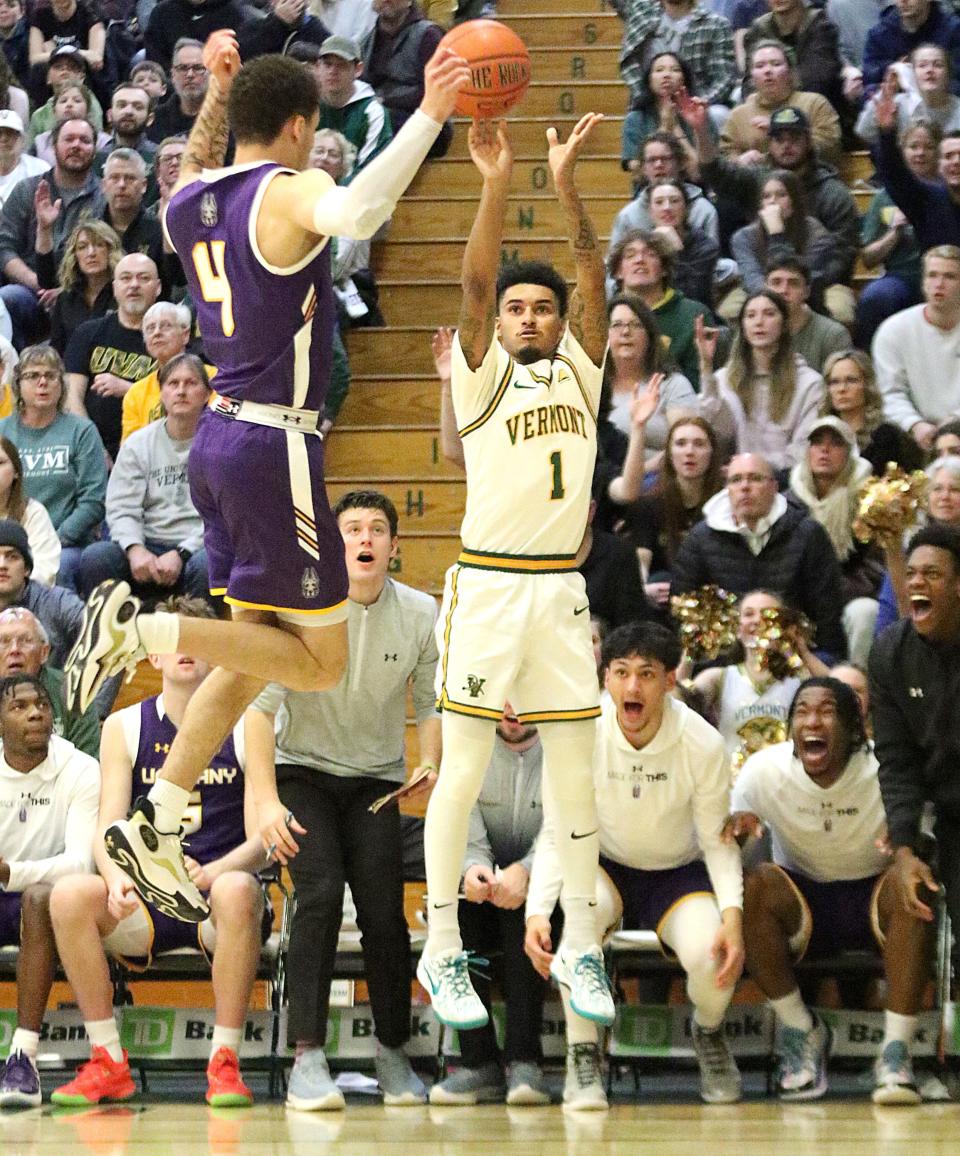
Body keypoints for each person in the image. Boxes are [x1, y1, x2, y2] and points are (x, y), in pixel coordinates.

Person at [64, 32, 470, 925]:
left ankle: (158, 819)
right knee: (320, 665)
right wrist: (431, 113)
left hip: (215, 440)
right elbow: (360, 214)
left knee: (251, 659)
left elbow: (199, 157)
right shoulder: (292, 190)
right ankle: (144, 625)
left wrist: (213, 89)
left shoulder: (185, 204)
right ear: (297, 125)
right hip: (272, 448)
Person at [413, 109, 615, 1033]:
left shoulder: (581, 370)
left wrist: (568, 187)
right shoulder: (481, 375)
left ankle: (578, 946)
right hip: (490, 585)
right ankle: (443, 943)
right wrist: (496, 181)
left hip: (560, 595)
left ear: (563, 327)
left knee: (578, 779)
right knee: (460, 771)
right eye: (516, 311)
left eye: (543, 310)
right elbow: (474, 278)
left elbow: (594, 272)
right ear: (495, 329)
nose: (529, 318)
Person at [245, 489, 439, 1110]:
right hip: (302, 770)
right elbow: (256, 713)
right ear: (333, 543)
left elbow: (432, 701)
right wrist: (266, 801)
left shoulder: (420, 613)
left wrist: (431, 761)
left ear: (393, 547)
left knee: (385, 909)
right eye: (351, 527)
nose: (364, 538)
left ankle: (392, 1052)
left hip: (377, 781)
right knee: (321, 892)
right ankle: (307, 1055)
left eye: (377, 529)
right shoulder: (303, 609)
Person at [49, 596, 266, 1109]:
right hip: (145, 901)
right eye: (176, 638)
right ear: (154, 657)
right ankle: (108, 1059)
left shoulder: (247, 722)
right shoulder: (123, 726)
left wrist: (212, 871)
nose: (187, 648)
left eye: (199, 637)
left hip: (215, 896)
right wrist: (118, 876)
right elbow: (109, 826)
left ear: (219, 652)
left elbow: (260, 841)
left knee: (240, 888)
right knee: (67, 895)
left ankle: (225, 1060)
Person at [524, 622, 744, 1110]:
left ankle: (707, 1033)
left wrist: (732, 915)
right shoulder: (578, 735)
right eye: (621, 673)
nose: (632, 686)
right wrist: (536, 910)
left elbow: (718, 840)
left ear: (669, 681)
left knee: (713, 958)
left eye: (646, 674)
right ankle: (583, 1057)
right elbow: (558, 832)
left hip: (677, 873)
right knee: (578, 928)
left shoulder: (703, 744)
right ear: (605, 679)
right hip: (604, 864)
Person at [731, 677, 929, 1103]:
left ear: (855, 730)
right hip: (803, 900)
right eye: (801, 711)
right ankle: (802, 1030)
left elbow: (925, 840)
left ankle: (895, 1054)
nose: (812, 721)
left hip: (875, 896)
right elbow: (728, 840)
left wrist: (906, 844)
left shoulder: (884, 769)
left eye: (825, 712)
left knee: (913, 885)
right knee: (752, 886)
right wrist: (741, 837)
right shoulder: (765, 770)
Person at [429, 703, 551, 1107]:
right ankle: (478, 1063)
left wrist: (529, 871)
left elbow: (566, 826)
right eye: (505, 698)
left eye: (523, 696)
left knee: (531, 914)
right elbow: (461, 816)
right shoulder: (467, 742)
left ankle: (524, 1060)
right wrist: (474, 868)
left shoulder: (563, 746)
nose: (515, 710)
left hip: (548, 878)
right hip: (486, 882)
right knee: (461, 911)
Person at [0, 673, 99, 1108]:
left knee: (39, 898)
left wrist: (10, 873)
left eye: (41, 704)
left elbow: (81, 863)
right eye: (18, 707)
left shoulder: (81, 769)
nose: (35, 712)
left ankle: (24, 1058)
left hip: (50, 907)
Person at [672, 452, 848, 657]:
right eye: (736, 480)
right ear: (727, 489)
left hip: (793, 656)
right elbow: (683, 612)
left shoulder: (808, 534)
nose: (745, 487)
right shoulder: (700, 538)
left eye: (755, 478)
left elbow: (827, 611)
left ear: (774, 487)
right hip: (721, 658)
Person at [681, 89, 858, 286]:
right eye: (779, 139)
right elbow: (714, 171)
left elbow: (843, 257)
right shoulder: (757, 179)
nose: (786, 145)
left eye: (794, 138)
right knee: (730, 311)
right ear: (769, 143)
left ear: (808, 142)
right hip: (762, 282)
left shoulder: (833, 193)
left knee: (840, 308)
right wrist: (700, 130)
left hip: (822, 285)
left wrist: (799, 288)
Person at [77, 353, 212, 604]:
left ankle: (203, 639)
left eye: (191, 383)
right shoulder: (138, 444)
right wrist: (134, 549)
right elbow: (121, 507)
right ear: (161, 393)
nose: (181, 391)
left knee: (210, 563)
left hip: (197, 547)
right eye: (173, 384)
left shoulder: (221, 445)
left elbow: (223, 518)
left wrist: (182, 552)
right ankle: (109, 640)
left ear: (206, 394)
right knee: (97, 557)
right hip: (146, 543)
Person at [0, 346, 107, 590]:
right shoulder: (2, 431)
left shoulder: (81, 431)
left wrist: (52, 540)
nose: (43, 383)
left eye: (51, 376)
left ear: (61, 384)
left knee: (63, 565)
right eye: (33, 376)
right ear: (17, 384)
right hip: (6, 540)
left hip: (66, 542)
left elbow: (92, 501)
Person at [691, 589, 828, 769]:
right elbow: (675, 703)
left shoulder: (801, 678)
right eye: (749, 614)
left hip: (786, 785)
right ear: (737, 628)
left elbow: (845, 695)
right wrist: (689, 649)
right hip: (734, 788)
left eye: (768, 614)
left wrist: (802, 651)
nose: (757, 620)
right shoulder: (719, 677)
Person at [0, 116, 103, 349]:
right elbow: (4, 247)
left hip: (85, 295)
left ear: (95, 149)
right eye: (69, 139)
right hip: (29, 292)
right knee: (6, 300)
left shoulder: (104, 197)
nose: (76, 145)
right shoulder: (27, 190)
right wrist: (35, 282)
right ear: (54, 145)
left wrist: (67, 291)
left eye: (84, 140)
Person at [787, 416, 882, 664]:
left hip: (849, 596)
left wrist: (830, 592)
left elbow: (876, 566)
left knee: (865, 612)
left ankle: (857, 686)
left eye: (835, 444)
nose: (824, 450)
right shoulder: (787, 504)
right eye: (817, 443)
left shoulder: (870, 503)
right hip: (799, 597)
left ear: (850, 453)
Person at [698, 291, 826, 472]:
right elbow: (715, 433)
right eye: (751, 316)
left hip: (786, 477)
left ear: (784, 325)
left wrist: (752, 467)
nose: (759, 322)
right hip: (731, 478)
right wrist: (706, 366)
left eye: (769, 314)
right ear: (742, 326)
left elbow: (803, 449)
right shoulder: (723, 379)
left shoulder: (810, 383)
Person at [63, 251, 160, 461]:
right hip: (92, 448)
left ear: (158, 287)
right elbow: (71, 397)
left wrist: (128, 389)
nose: (134, 285)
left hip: (153, 449)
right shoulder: (87, 332)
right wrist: (93, 447)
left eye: (144, 278)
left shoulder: (167, 338)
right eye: (125, 278)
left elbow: (176, 399)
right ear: (115, 288)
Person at [730, 172, 855, 325]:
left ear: (794, 202)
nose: (772, 202)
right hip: (761, 292)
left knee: (840, 308)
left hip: (810, 294)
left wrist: (777, 235)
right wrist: (770, 298)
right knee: (729, 311)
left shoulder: (817, 234)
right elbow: (751, 279)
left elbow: (799, 278)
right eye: (766, 196)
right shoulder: (743, 237)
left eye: (781, 195)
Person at [623, 416, 724, 602]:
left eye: (699, 444)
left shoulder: (725, 504)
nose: (689, 452)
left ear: (712, 453)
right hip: (665, 592)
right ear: (668, 454)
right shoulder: (648, 504)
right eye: (681, 444)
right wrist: (644, 589)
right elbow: (642, 559)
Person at [872, 244, 960, 454]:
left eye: (950, 277)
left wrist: (956, 421)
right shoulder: (893, 330)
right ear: (923, 282)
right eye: (932, 275)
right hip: (913, 435)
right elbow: (889, 393)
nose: (939, 284)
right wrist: (914, 424)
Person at [856, 118, 936, 346]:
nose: (920, 153)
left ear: (938, 151)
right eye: (913, 146)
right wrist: (894, 233)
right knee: (876, 297)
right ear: (902, 151)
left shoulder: (947, 192)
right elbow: (868, 258)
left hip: (946, 276)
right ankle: (868, 370)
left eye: (928, 146)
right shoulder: (885, 197)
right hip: (902, 278)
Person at [606, 228, 716, 390]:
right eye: (630, 255)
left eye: (650, 254)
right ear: (617, 271)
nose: (640, 260)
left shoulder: (693, 315)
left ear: (664, 269)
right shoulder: (601, 317)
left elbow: (699, 386)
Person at [600, 292, 696, 475]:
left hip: (662, 482)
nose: (626, 332)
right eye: (617, 325)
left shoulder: (672, 384)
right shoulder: (592, 387)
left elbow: (687, 446)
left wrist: (635, 475)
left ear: (650, 337)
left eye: (636, 325)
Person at [610, 0, 736, 129]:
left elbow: (724, 79)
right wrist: (647, 97)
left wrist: (696, 104)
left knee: (718, 114)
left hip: (695, 101)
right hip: (649, 103)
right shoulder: (641, 12)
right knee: (635, 119)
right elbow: (628, 63)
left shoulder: (716, 25)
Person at [874, 454, 960, 632]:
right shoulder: (908, 545)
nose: (945, 496)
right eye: (937, 489)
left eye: (955, 490)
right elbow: (890, 612)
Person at [874, 74, 960, 249]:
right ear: (938, 163)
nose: (956, 161)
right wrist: (887, 133)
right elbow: (895, 175)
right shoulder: (928, 198)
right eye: (949, 156)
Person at [0, 606, 100, 756]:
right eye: (4, 642)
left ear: (44, 652)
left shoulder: (73, 692)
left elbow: (88, 761)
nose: (14, 650)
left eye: (25, 640)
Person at [722, 42, 842, 166]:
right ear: (751, 76)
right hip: (756, 181)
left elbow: (832, 148)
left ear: (790, 71)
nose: (768, 71)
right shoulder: (738, 115)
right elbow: (723, 156)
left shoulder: (815, 103)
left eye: (776, 64)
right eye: (760, 66)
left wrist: (783, 129)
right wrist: (738, 161)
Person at [361, 0, 450, 158]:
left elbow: (437, 93)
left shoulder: (429, 35)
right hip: (382, 120)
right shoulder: (366, 42)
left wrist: (384, 101)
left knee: (378, 123)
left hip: (427, 125)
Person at [820, 348, 922, 474]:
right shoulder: (819, 436)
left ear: (867, 385)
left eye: (851, 380)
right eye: (834, 382)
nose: (842, 389)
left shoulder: (888, 438)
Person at [614, 130, 719, 242]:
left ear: (680, 163)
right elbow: (614, 257)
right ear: (643, 168)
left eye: (665, 159)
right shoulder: (628, 215)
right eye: (652, 160)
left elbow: (712, 255)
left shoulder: (703, 210)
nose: (658, 165)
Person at [742, 0, 848, 112]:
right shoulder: (757, 30)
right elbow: (750, 80)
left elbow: (818, 80)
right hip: (766, 107)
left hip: (814, 108)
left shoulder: (820, 25)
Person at [315, 35, 393, 177]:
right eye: (327, 64)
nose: (333, 71)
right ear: (317, 67)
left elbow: (371, 171)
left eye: (341, 65)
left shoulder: (372, 113)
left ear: (358, 69)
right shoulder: (307, 107)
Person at [120, 300, 197, 442]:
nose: (157, 333)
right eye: (150, 328)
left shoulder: (211, 379)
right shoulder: (136, 393)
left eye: (166, 326)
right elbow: (130, 452)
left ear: (185, 335)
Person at [41, 219, 119, 355]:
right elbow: (57, 349)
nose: (91, 253)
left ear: (110, 250)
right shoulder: (65, 298)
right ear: (75, 255)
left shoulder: (123, 292)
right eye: (82, 247)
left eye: (99, 245)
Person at [857, 43, 960, 143]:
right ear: (912, 73)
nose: (929, 70)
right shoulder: (898, 104)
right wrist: (888, 89)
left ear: (948, 74)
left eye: (938, 65)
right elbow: (863, 132)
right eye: (922, 65)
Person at [765, 257, 850, 375]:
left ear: (806, 292)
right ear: (765, 289)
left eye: (793, 284)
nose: (783, 290)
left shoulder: (833, 335)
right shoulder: (750, 331)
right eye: (776, 282)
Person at [645, 176, 718, 307]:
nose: (667, 207)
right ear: (650, 211)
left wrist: (675, 254)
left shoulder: (706, 247)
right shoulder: (641, 245)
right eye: (659, 202)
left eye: (674, 201)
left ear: (687, 208)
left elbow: (694, 297)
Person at [863, 0, 960, 96]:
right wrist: (894, 71)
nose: (903, 1)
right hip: (896, 105)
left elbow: (956, 81)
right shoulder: (879, 34)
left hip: (942, 106)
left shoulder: (953, 30)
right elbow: (869, 79)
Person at [0, 437, 59, 586]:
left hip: (22, 600)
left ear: (16, 472)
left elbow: (45, 571)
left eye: (0, 463)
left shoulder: (33, 513)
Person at [145, 0, 249, 75]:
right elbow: (155, 56)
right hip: (173, 81)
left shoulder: (231, 12)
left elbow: (238, 55)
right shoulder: (162, 12)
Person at [146, 39, 207, 145]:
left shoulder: (231, 117)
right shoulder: (155, 119)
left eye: (198, 68)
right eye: (183, 68)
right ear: (173, 75)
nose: (190, 74)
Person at [27, 0, 105, 76]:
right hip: (56, 77)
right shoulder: (40, 14)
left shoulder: (89, 9)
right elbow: (34, 59)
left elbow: (96, 57)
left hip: (85, 76)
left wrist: (53, 54)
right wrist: (80, 53)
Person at [238, 0, 329, 60]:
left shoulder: (318, 33)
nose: (291, 3)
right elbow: (242, 56)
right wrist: (277, 22)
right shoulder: (254, 26)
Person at [0, 109, 47, 212]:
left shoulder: (40, 170)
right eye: (0, 133)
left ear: (22, 140)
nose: (3, 139)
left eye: (10, 133)